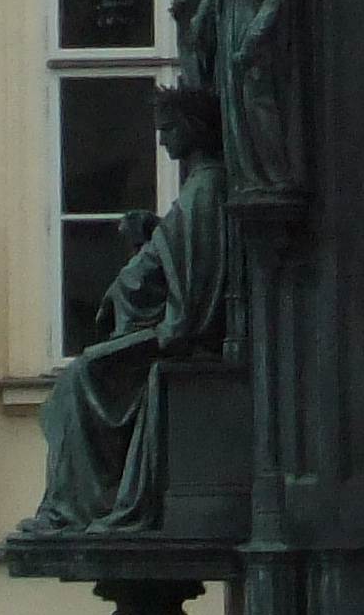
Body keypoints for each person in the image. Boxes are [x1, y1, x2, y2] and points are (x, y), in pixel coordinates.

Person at [29, 89, 233, 530]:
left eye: (168, 129)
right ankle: (75, 504)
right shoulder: (199, 190)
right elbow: (183, 255)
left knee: (82, 378)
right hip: (166, 333)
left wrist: (164, 325)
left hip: (175, 337)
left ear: (193, 129)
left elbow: (195, 285)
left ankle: (79, 507)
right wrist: (155, 233)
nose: (162, 140)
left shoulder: (205, 191)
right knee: (77, 380)